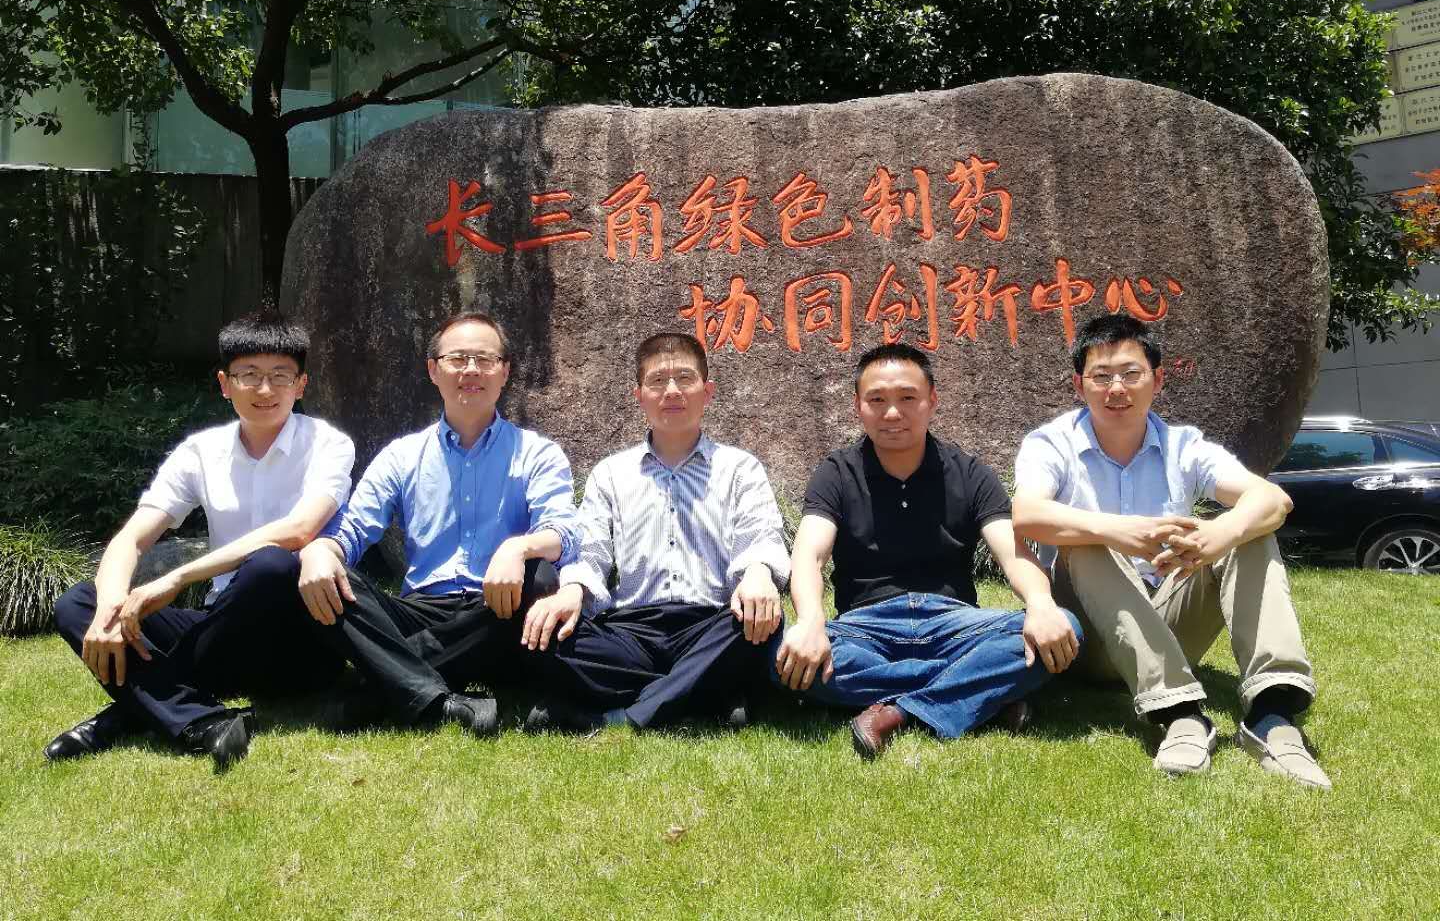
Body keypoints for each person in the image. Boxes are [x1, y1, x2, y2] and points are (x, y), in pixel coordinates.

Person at [1012, 314, 1328, 787]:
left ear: (1157, 380)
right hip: (1089, 637)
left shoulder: (1185, 446)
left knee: (1249, 529)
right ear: (1079, 385)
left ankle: (1272, 712)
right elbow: (1026, 513)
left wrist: (1217, 536)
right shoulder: (1050, 444)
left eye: (1131, 373)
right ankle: (1180, 714)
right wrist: (1118, 531)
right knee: (1087, 543)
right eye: (1101, 376)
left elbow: (1272, 499)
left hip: (1167, 615)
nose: (1116, 388)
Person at [49, 311, 355, 769]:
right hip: (222, 627)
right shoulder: (201, 452)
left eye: (280, 376)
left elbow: (299, 530)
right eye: (249, 375)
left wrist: (176, 579)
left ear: (301, 385)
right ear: (225, 384)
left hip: (301, 637)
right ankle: (200, 720)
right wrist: (110, 609)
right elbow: (132, 538)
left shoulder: (329, 444)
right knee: (78, 603)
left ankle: (130, 712)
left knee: (271, 565)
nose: (265, 389)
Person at [774, 342, 1081, 760]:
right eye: (877, 400)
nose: (892, 413)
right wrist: (811, 621)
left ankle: (899, 711)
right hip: (866, 630)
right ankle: (979, 694)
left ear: (932, 400)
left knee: (1064, 626)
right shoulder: (837, 473)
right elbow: (809, 554)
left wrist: (1041, 604)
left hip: (955, 627)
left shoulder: (970, 473)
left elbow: (1012, 553)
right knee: (779, 654)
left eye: (907, 398)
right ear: (857, 406)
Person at [294, 311, 577, 737]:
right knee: (325, 574)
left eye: (485, 359)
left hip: (498, 610)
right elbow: (352, 530)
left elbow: (563, 533)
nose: (471, 370)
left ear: (504, 372)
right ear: (433, 370)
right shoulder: (401, 456)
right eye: (457, 359)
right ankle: (430, 692)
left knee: (539, 577)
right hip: (419, 611)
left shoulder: (538, 453)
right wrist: (319, 550)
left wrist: (517, 547)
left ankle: (381, 684)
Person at [520, 333, 789, 731]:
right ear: (640, 395)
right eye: (658, 381)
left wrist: (760, 574)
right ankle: (703, 694)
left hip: (712, 623)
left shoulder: (740, 469)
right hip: (631, 631)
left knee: (762, 624)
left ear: (707, 392)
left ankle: (621, 716)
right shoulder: (611, 474)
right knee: (546, 636)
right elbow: (591, 551)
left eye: (685, 378)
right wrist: (572, 591)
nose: (672, 391)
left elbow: (761, 536)